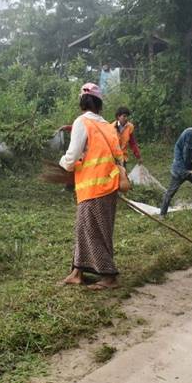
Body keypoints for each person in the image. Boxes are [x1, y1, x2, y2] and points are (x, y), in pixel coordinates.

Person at [59, 83, 124, 290]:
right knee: (87, 229)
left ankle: (109, 276)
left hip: (93, 187)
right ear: (99, 103)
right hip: (109, 185)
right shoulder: (107, 125)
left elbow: (72, 156)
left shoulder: (82, 122)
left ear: (82, 102)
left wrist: (64, 163)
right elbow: (117, 154)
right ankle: (77, 272)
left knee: (94, 231)